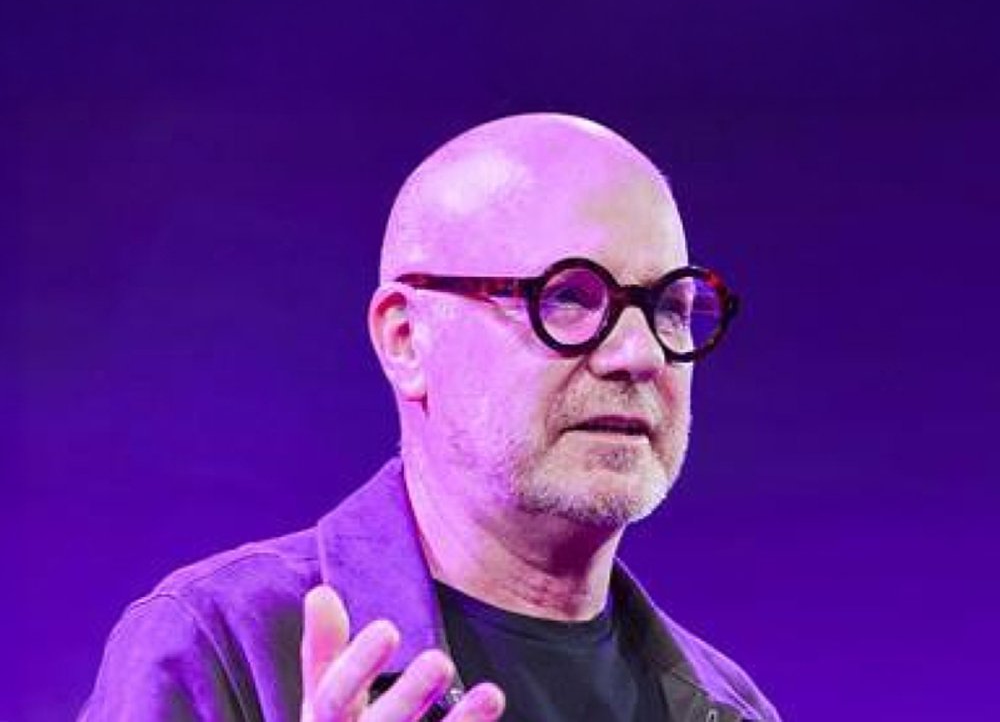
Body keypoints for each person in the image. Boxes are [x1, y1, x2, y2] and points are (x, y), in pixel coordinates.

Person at [80, 114, 780, 722]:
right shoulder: (219, 645)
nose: (637, 353)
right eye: (569, 296)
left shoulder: (729, 706)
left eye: (669, 308)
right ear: (406, 340)